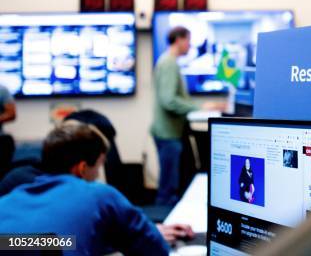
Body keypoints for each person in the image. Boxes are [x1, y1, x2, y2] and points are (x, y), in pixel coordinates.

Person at [0, 122, 194, 254]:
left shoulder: (9, 200)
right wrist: (144, 234)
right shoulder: (98, 194)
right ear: (82, 168)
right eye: (99, 166)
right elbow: (156, 250)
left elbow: (53, 243)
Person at [151, 26, 201, 206]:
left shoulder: (169, 61)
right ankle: (164, 230)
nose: (190, 45)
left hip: (170, 131)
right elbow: (169, 100)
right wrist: (197, 108)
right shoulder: (169, 63)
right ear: (179, 39)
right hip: (168, 132)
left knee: (172, 183)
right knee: (168, 189)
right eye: (188, 40)